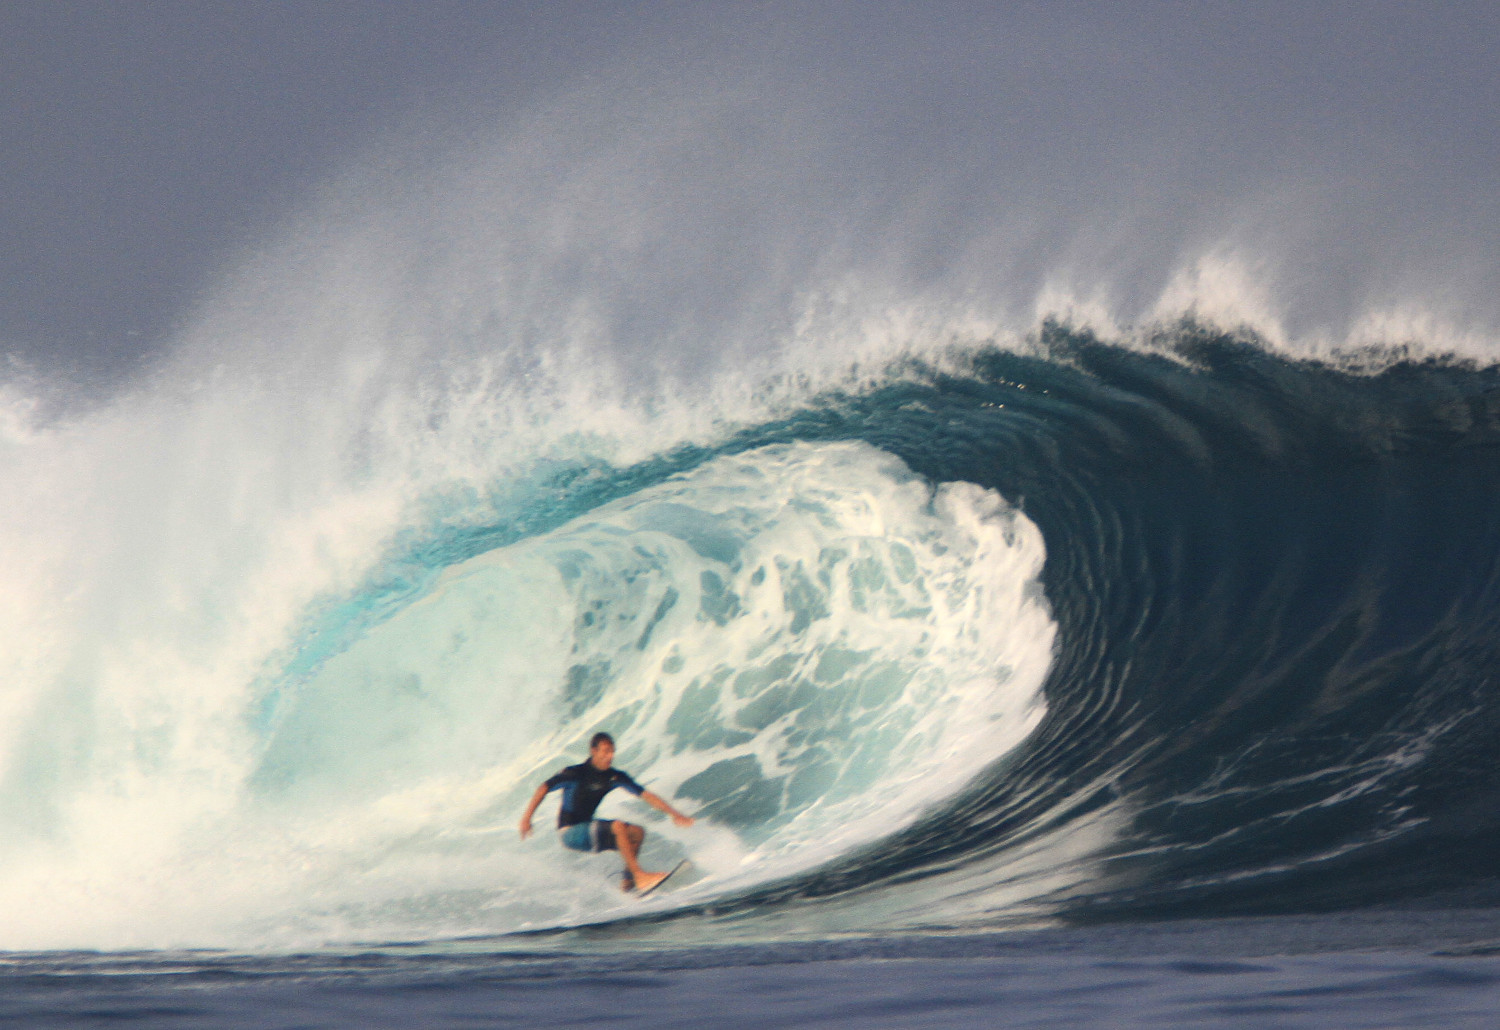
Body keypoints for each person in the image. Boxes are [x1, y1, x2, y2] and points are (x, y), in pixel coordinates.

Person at [519, 731, 694, 893]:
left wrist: (674, 814)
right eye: (605, 751)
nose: (610, 756)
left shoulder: (613, 776)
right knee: (617, 826)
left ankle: (628, 884)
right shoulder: (575, 773)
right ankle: (640, 876)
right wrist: (527, 818)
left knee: (636, 833)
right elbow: (543, 787)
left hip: (587, 829)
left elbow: (645, 795)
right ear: (593, 751)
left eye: (612, 751)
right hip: (570, 833)